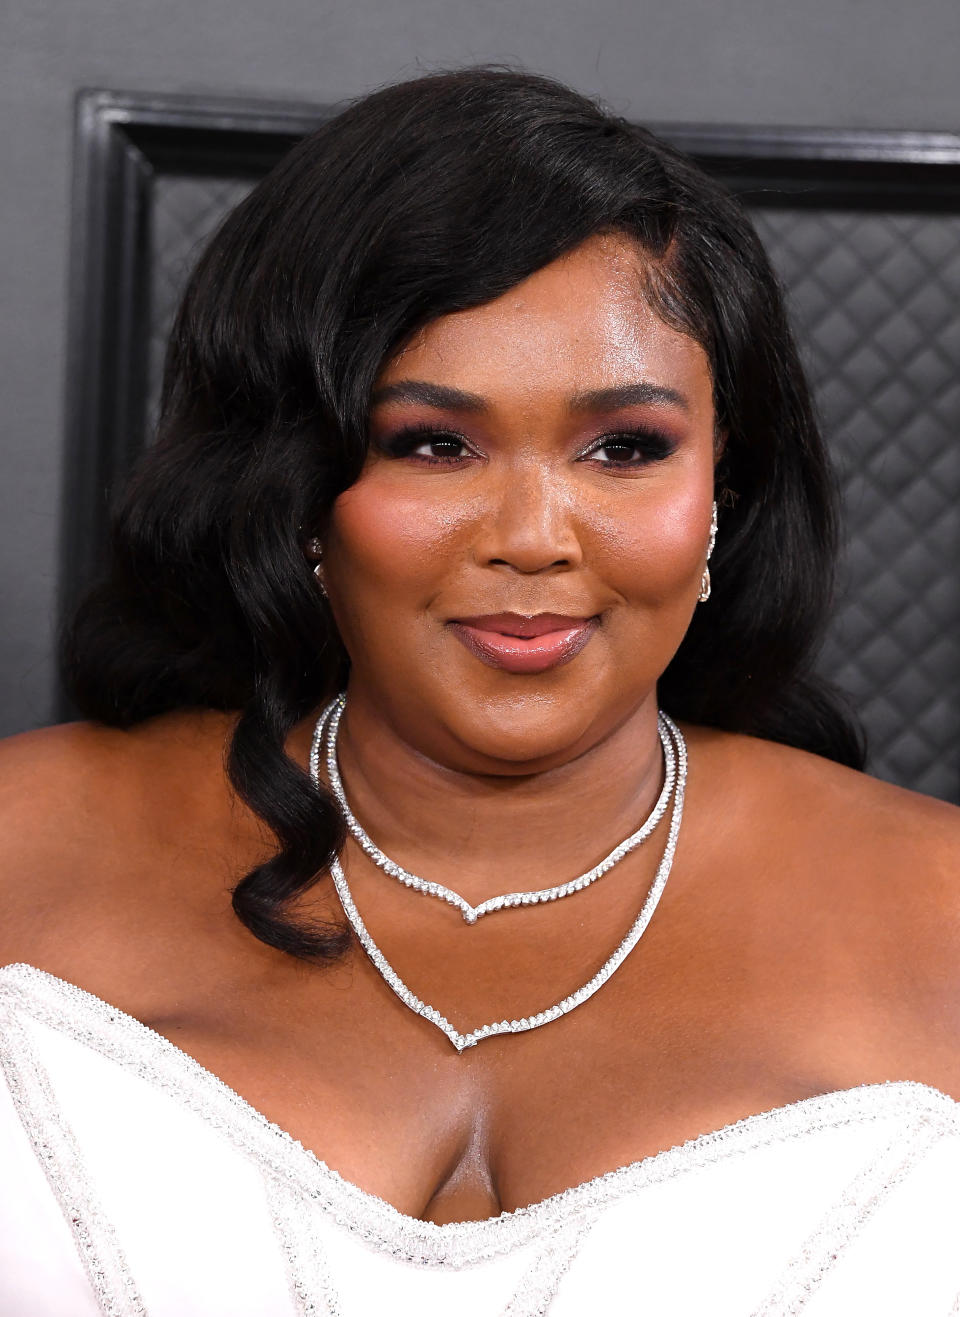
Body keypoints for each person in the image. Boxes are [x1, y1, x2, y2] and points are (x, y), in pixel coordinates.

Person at [1, 67, 958, 1316]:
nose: (533, 537)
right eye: (433, 443)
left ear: (722, 491)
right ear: (298, 495)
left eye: (624, 447)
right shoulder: (20, 843)